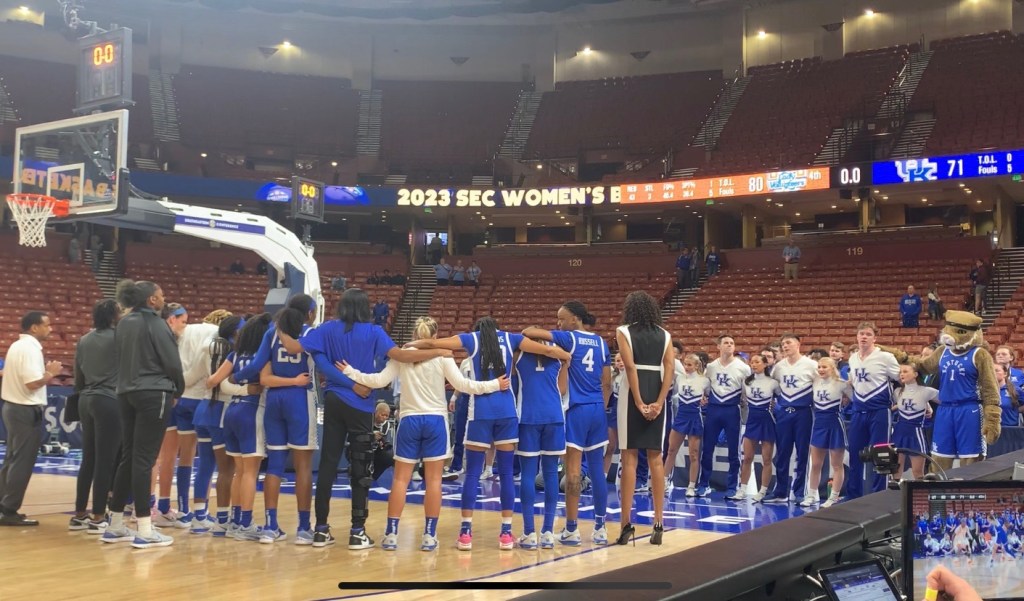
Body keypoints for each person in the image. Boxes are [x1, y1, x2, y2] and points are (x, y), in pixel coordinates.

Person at [297, 288, 450, 549]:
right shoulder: (374, 332)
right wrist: (436, 351)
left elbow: (313, 355)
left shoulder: (327, 329)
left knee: (328, 465)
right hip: (361, 404)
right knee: (360, 467)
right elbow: (401, 356)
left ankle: (320, 529)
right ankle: (357, 531)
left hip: (333, 399)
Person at [341, 316, 508, 552]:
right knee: (434, 482)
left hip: (409, 419)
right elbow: (463, 386)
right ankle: (429, 536)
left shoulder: (402, 355)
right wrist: (494, 385)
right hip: (435, 421)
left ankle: (391, 534)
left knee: (400, 480)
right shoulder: (442, 355)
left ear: (414, 334)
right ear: (435, 334)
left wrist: (350, 372)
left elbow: (378, 380)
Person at [408, 316, 566, 551]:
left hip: (480, 410)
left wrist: (412, 346)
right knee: (505, 474)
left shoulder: (472, 339)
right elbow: (543, 349)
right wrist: (564, 354)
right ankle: (506, 533)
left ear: (479, 330)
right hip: (507, 413)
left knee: (472, 473)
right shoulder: (512, 338)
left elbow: (435, 344)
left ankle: (465, 534)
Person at [101, 280, 185, 549]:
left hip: (125, 392)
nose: (163, 298)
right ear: (151, 300)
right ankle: (145, 529)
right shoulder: (157, 324)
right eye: (161, 295)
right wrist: (178, 389)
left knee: (129, 456)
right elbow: (171, 361)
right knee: (144, 459)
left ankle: (114, 523)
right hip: (154, 392)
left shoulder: (124, 322)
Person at [523, 301, 611, 547]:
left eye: (561, 318)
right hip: (597, 410)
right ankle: (600, 527)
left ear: (575, 319)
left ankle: (571, 528)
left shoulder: (569, 338)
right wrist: (601, 407)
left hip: (576, 410)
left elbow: (529, 333)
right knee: (596, 472)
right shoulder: (602, 342)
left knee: (572, 471)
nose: (558, 323)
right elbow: (607, 383)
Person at [206, 314, 273, 541]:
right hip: (252, 411)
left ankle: (234, 522)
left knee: (239, 472)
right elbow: (267, 382)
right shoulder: (264, 356)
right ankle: (245, 523)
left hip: (231, 412)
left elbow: (212, 381)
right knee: (250, 473)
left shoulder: (235, 355)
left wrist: (237, 386)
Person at [614, 291, 674, 546]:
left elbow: (629, 366)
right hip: (658, 387)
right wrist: (659, 401)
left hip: (633, 391)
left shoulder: (623, 331)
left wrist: (638, 400)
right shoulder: (665, 334)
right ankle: (658, 523)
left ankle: (626, 525)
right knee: (655, 457)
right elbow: (670, 367)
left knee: (629, 457)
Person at [0, 311, 62, 526]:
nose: (50, 328)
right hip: (24, 409)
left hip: (12, 407)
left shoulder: (17, 346)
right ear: (34, 328)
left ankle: (3, 504)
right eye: (46, 325)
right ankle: (9, 510)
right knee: (22, 463)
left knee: (12, 459)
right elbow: (32, 383)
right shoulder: (30, 349)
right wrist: (50, 373)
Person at [69, 300, 122, 533]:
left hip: (85, 399)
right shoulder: (120, 338)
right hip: (109, 399)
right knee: (105, 460)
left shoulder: (84, 339)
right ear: (113, 316)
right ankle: (98, 516)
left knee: (88, 458)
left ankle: (79, 513)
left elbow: (77, 376)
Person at [846, 321, 900, 499]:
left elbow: (901, 379)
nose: (864, 337)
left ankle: (880, 496)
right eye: (861, 333)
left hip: (879, 411)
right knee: (855, 454)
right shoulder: (853, 358)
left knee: (881, 455)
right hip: (858, 410)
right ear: (857, 336)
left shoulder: (886, 357)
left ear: (875, 338)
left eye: (868, 334)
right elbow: (853, 382)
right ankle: (853, 495)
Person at [152, 303, 193, 529]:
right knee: (157, 457)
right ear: (172, 320)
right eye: (183, 322)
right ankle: (150, 507)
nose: (185, 327)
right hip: (166, 397)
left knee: (167, 457)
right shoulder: (165, 340)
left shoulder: (175, 339)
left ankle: (163, 507)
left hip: (170, 397)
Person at [696, 334, 750, 498]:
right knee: (707, 449)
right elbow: (705, 388)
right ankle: (704, 484)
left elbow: (747, 393)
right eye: (726, 343)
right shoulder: (711, 367)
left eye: (732, 343)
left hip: (732, 409)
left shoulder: (743, 367)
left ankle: (732, 486)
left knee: (733, 451)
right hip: (713, 409)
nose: (729, 345)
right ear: (718, 346)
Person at [767, 333, 817, 504]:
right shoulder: (779, 367)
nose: (785, 346)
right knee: (782, 452)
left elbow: (820, 385)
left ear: (798, 344)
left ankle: (800, 491)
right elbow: (772, 387)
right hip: (784, 413)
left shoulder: (811, 365)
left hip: (804, 412)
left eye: (788, 343)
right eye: (783, 344)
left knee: (803, 452)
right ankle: (780, 491)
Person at [804, 357, 849, 508]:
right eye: (819, 367)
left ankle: (833, 497)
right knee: (816, 464)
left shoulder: (841, 384)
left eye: (825, 367)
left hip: (835, 423)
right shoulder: (815, 382)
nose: (821, 369)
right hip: (818, 424)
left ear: (832, 368)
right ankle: (811, 495)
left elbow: (856, 398)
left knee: (836, 464)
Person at [663, 354, 709, 496]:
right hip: (681, 417)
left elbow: (708, 396)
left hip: (695, 417)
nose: (687, 367)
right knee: (671, 450)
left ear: (697, 365)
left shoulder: (704, 380)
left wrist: (705, 400)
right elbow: (674, 393)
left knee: (694, 454)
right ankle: (664, 481)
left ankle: (691, 485)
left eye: (690, 365)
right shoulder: (679, 378)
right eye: (685, 364)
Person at [739, 355, 778, 503]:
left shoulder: (773, 383)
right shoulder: (746, 382)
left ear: (765, 364)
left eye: (757, 362)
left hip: (767, 421)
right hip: (752, 420)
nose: (753, 364)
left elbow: (781, 399)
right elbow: (742, 399)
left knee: (766, 459)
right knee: (747, 457)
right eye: (752, 362)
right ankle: (742, 489)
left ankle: (762, 491)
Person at [893, 363, 938, 481]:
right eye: (900, 372)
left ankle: (920, 497)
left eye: (905, 371)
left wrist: (929, 407)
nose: (902, 374)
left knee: (918, 473)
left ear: (915, 374)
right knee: (895, 470)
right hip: (899, 432)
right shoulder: (897, 392)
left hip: (916, 433)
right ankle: (894, 496)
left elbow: (947, 403)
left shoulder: (926, 391)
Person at [994, 363, 1021, 428]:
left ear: (1005, 374)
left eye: (997, 370)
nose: (993, 373)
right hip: (992, 431)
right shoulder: (985, 391)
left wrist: (1015, 410)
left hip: (1011, 430)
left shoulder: (1015, 390)